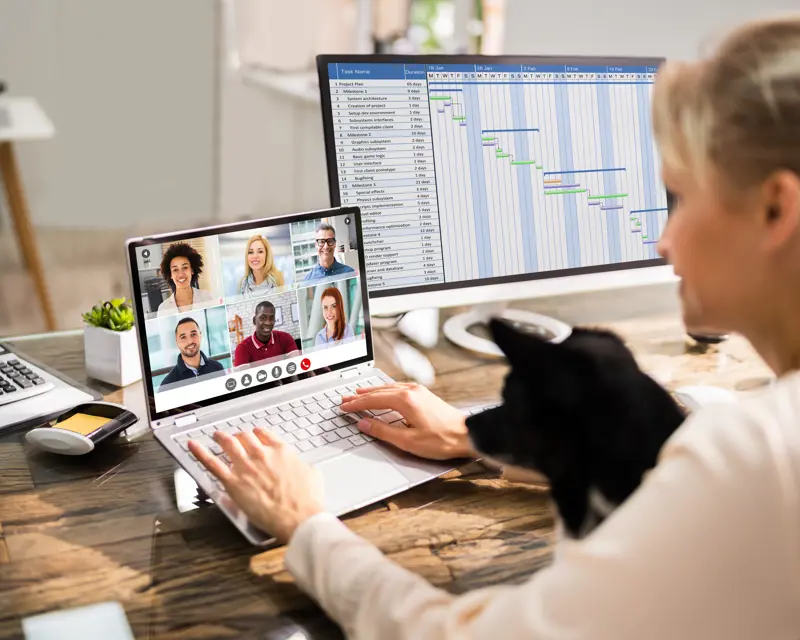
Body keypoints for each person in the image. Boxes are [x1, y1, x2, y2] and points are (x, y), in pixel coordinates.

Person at [190, 17, 800, 639]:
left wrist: (304, 524)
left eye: (681, 198)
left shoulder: (759, 459)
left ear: (776, 208)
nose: (664, 240)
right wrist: (474, 437)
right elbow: (676, 449)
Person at [159, 317, 223, 390]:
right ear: (177, 342)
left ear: (200, 336)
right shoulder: (168, 385)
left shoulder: (217, 368)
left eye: (193, 334)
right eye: (183, 337)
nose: (190, 341)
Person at [156, 242, 216, 318]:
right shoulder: (163, 309)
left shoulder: (206, 298)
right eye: (175, 270)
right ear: (170, 274)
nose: (181, 274)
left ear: (192, 270)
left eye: (185, 267)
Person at [233, 300, 299, 367]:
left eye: (271, 318)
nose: (268, 323)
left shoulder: (286, 338)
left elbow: (297, 366)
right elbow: (243, 373)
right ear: (254, 321)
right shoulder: (242, 349)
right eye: (263, 318)